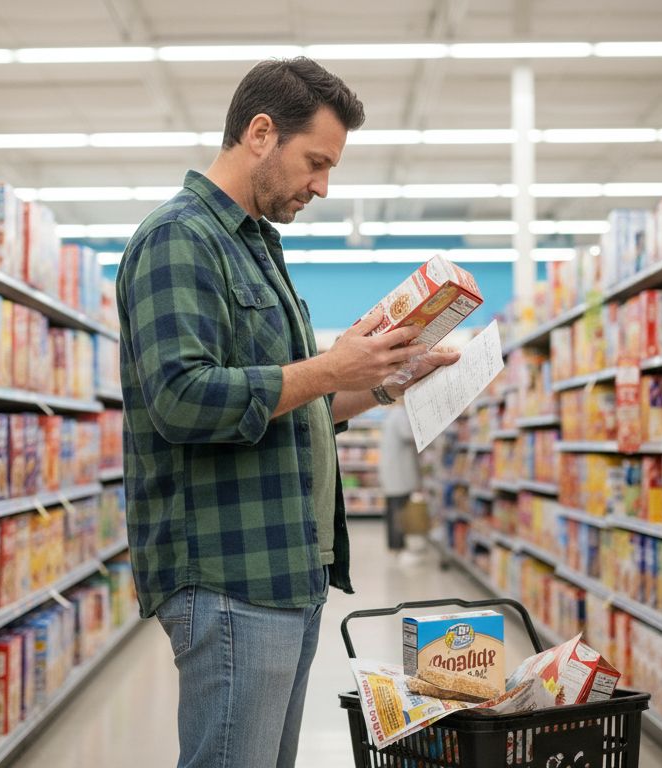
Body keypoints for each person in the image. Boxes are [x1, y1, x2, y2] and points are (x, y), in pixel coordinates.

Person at [116, 57, 460, 768]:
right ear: (261, 133)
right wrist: (330, 366)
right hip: (229, 573)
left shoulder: (257, 249)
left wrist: (389, 380)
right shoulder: (180, 238)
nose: (322, 186)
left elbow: (300, 405)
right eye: (316, 162)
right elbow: (181, 398)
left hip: (286, 570)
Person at [379, 403, 419, 552]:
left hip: (393, 472)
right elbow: (408, 434)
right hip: (398, 473)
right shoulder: (399, 413)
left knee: (393, 509)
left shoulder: (393, 414)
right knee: (398, 510)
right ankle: (397, 544)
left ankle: (395, 544)